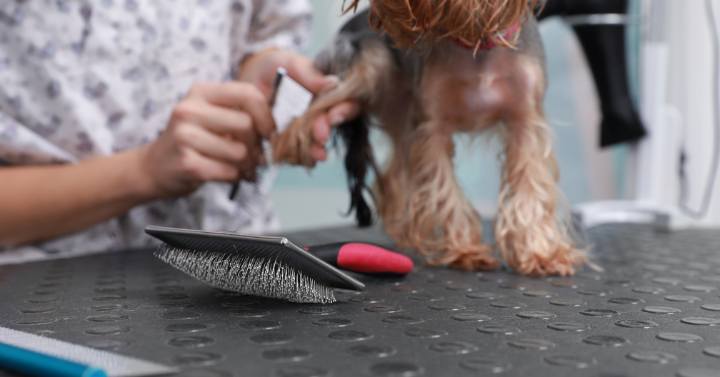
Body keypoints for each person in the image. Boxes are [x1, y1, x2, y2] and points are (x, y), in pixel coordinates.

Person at [0, 1, 357, 263]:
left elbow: (260, 30)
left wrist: (255, 68)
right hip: (41, 290)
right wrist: (143, 171)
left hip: (233, 262)